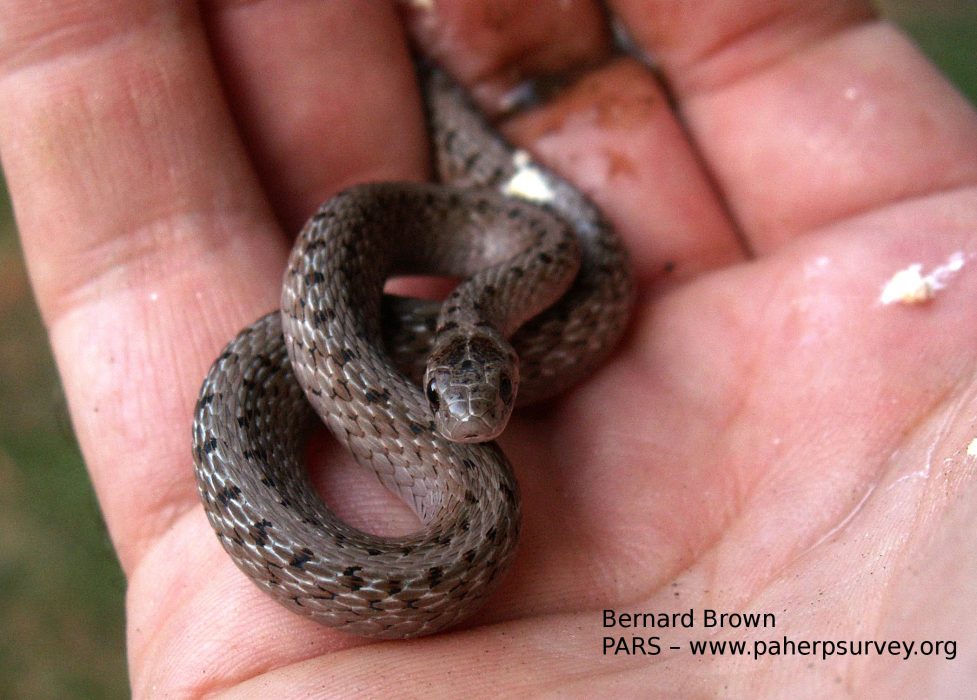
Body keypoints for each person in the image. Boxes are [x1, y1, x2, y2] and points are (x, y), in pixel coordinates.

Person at [2, 1, 974, 695]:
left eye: (495, 388)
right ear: (433, 371)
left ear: (499, 354)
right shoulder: (397, 333)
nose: (472, 421)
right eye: (459, 394)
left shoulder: (535, 274)